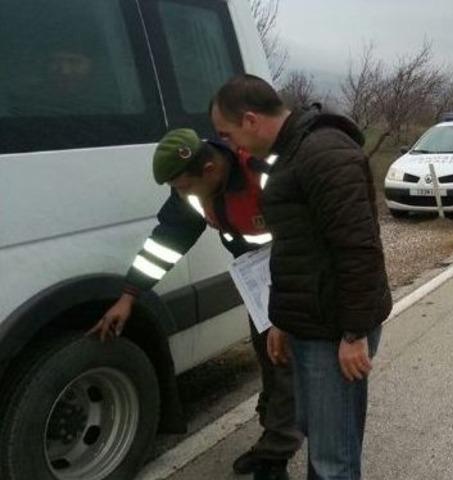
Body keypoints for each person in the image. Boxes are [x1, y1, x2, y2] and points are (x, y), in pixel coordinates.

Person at [88, 128, 301, 480]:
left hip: (297, 275)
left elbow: (309, 231)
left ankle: (275, 455)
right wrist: (129, 295)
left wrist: (289, 305)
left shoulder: (263, 175)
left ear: (209, 169)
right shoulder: (195, 190)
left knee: (287, 367)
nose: (180, 194)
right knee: (271, 363)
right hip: (259, 282)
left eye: (182, 186)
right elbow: (166, 242)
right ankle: (272, 437)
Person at [210, 74, 392, 480]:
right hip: (310, 324)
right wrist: (282, 321)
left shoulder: (323, 153)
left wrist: (353, 334)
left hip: (335, 330)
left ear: (251, 120)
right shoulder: (291, 153)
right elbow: (294, 252)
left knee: (333, 458)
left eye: (228, 133)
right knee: (319, 437)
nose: (232, 146)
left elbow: (358, 248)